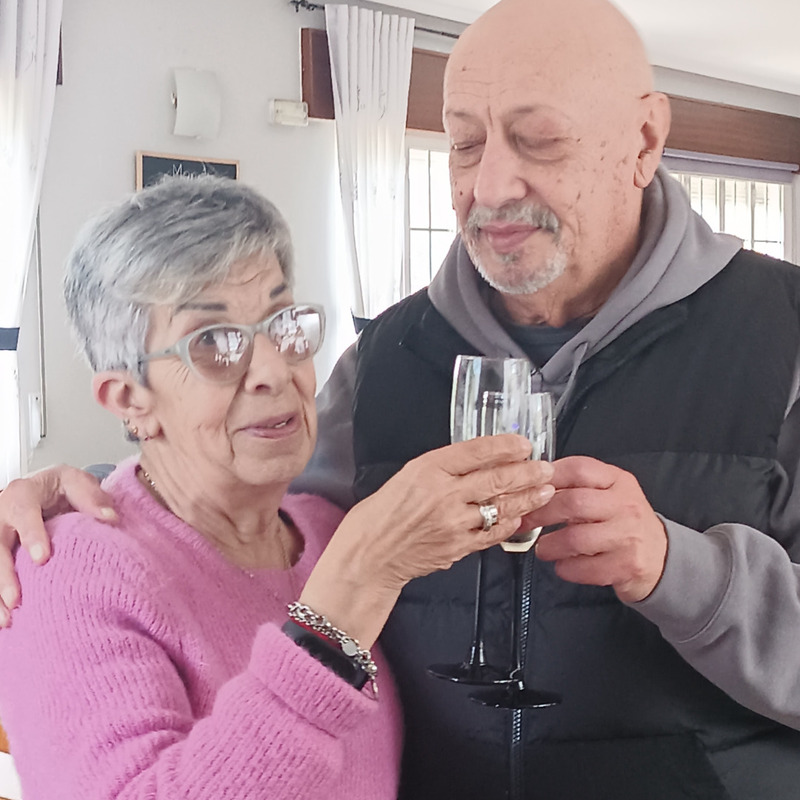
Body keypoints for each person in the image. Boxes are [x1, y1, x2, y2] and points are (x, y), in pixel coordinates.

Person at [3, 0, 800, 797]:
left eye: (539, 139)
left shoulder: (783, 334)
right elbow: (229, 502)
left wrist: (688, 574)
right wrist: (66, 498)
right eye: (464, 143)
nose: (490, 185)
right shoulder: (384, 357)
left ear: (645, 140)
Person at [0, 175, 556, 800]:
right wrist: (338, 613)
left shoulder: (322, 526)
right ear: (129, 399)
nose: (273, 370)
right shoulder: (68, 571)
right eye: (214, 342)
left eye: (284, 323)